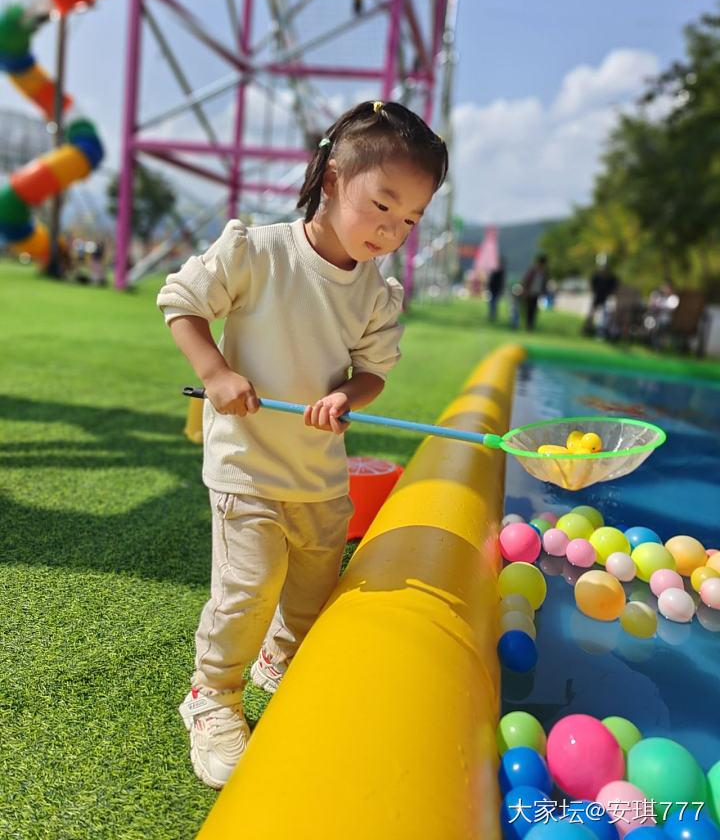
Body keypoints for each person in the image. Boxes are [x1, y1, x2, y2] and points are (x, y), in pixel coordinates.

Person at [156, 100, 448, 790]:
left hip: (319, 476)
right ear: (331, 177)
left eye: (410, 219)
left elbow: (373, 369)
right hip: (247, 467)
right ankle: (212, 695)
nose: (392, 230)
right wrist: (217, 373)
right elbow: (181, 302)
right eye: (381, 205)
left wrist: (351, 394)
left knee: (313, 594)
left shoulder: (376, 291)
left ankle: (278, 663)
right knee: (247, 590)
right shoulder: (257, 252)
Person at [583, 259, 618, 337]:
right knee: (591, 314)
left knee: (604, 316)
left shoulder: (611, 278)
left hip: (606, 298)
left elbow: (614, 289)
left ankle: (602, 331)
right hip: (597, 297)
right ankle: (587, 328)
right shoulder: (597, 276)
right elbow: (591, 285)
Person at [520, 254, 548, 331]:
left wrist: (543, 293)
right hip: (529, 294)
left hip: (537, 294)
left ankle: (530, 326)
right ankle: (528, 326)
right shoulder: (532, 270)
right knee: (528, 310)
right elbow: (525, 280)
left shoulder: (544, 273)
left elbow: (544, 284)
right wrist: (524, 290)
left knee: (534, 311)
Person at [487, 257, 505, 322]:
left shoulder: (499, 271)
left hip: (495, 289)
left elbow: (499, 282)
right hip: (494, 289)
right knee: (493, 303)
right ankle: (492, 316)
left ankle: (492, 316)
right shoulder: (499, 271)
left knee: (493, 303)